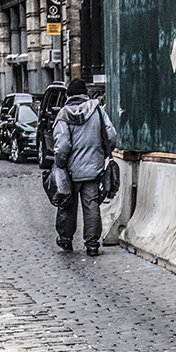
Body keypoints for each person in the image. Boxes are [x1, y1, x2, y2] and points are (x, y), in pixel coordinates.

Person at [52, 77, 118, 256]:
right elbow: (111, 136)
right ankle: (92, 244)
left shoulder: (63, 115)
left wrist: (60, 163)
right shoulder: (97, 111)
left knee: (67, 206)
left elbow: (62, 144)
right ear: (85, 94)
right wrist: (103, 153)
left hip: (70, 172)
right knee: (92, 207)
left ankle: (65, 240)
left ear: (68, 95)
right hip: (93, 168)